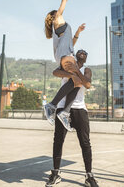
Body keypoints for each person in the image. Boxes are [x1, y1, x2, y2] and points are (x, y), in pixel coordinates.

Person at [45, 49, 99, 187]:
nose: (82, 52)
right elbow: (55, 72)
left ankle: (89, 176)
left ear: (86, 59)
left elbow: (87, 83)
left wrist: (77, 72)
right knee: (58, 141)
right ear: (75, 56)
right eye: (80, 51)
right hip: (62, 108)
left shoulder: (87, 70)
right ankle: (55, 173)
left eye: (85, 53)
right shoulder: (67, 64)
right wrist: (71, 73)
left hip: (80, 109)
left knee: (85, 143)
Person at [44, 0, 90, 131]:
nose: (61, 11)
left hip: (66, 56)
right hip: (66, 57)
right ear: (55, 15)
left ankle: (64, 112)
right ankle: (52, 106)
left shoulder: (61, 32)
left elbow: (71, 43)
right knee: (77, 80)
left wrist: (77, 31)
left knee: (77, 82)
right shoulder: (58, 19)